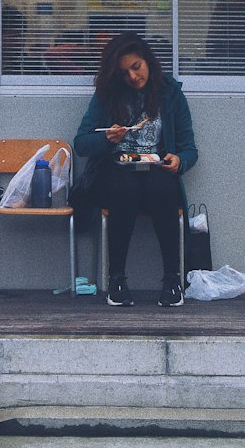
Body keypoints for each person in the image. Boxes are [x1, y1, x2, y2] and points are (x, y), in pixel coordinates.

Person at [74, 31, 197, 309]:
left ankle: (172, 280)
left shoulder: (170, 93)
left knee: (162, 186)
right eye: (125, 72)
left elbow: (189, 149)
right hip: (115, 170)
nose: (132, 76)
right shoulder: (107, 95)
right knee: (125, 188)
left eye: (136, 67)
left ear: (148, 62)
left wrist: (179, 161)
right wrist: (106, 139)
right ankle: (116, 280)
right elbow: (81, 143)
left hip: (155, 169)